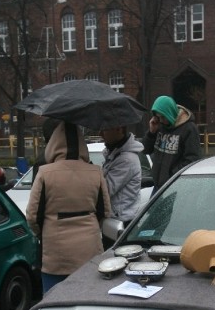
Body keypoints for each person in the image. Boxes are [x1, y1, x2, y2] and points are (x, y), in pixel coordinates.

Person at [26, 121, 111, 294]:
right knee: (88, 299)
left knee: (54, 303)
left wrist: (44, 232)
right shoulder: (95, 172)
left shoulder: (45, 172)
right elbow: (104, 211)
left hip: (56, 254)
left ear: (54, 144)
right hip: (90, 251)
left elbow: (33, 216)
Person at [142, 95, 201, 191]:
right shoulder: (159, 126)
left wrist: (171, 174)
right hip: (158, 185)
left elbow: (192, 159)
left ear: (169, 113)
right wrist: (151, 133)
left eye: (163, 117)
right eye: (158, 117)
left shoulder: (189, 129)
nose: (161, 120)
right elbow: (145, 149)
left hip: (176, 186)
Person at [99, 125, 143, 226]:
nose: (100, 134)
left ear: (119, 129)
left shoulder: (126, 159)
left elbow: (105, 191)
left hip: (121, 221)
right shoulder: (114, 154)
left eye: (104, 129)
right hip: (114, 218)